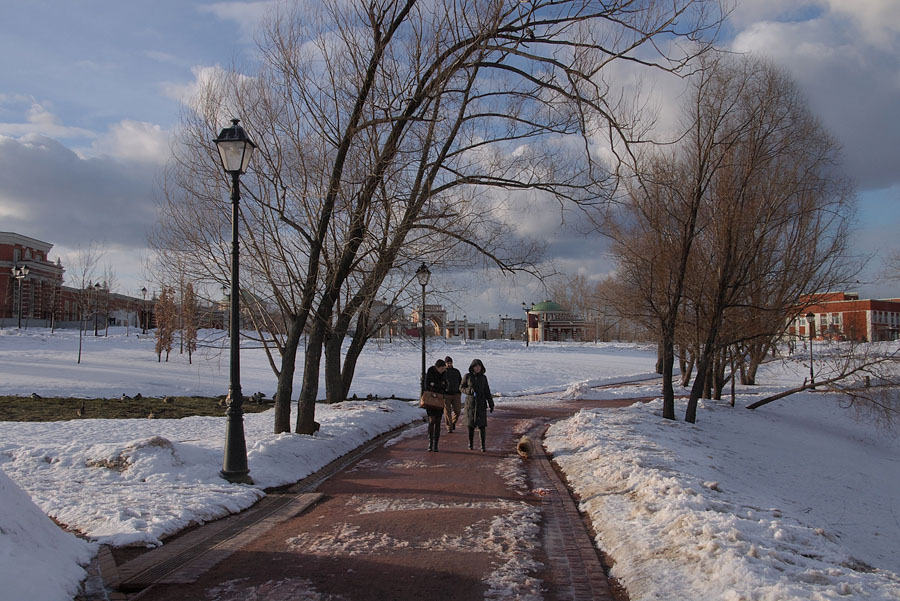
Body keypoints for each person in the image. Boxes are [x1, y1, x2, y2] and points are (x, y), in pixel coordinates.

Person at [461, 358, 494, 452]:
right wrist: (468, 391)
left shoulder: (483, 377)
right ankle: (470, 443)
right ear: (472, 367)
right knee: (470, 425)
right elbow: (461, 387)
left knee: (482, 426)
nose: (477, 368)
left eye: (479, 366)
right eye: (475, 366)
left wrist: (491, 403)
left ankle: (483, 445)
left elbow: (487, 391)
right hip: (470, 404)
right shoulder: (467, 376)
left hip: (481, 403)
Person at [423, 358, 448, 452]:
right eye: (441, 369)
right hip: (430, 399)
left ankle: (436, 444)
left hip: (440, 399)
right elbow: (427, 385)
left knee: (438, 421)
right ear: (437, 368)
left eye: (444, 369)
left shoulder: (445, 374)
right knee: (432, 420)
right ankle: (430, 442)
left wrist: (436, 385)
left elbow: (446, 385)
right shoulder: (430, 371)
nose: (443, 370)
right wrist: (438, 385)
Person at [442, 356, 462, 433]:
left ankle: (453, 422)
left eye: (450, 363)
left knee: (457, 411)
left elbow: (460, 381)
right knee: (447, 411)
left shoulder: (456, 371)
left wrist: (459, 391)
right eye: (448, 363)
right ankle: (449, 427)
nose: (449, 364)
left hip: (456, 394)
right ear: (445, 363)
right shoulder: (443, 372)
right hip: (446, 395)